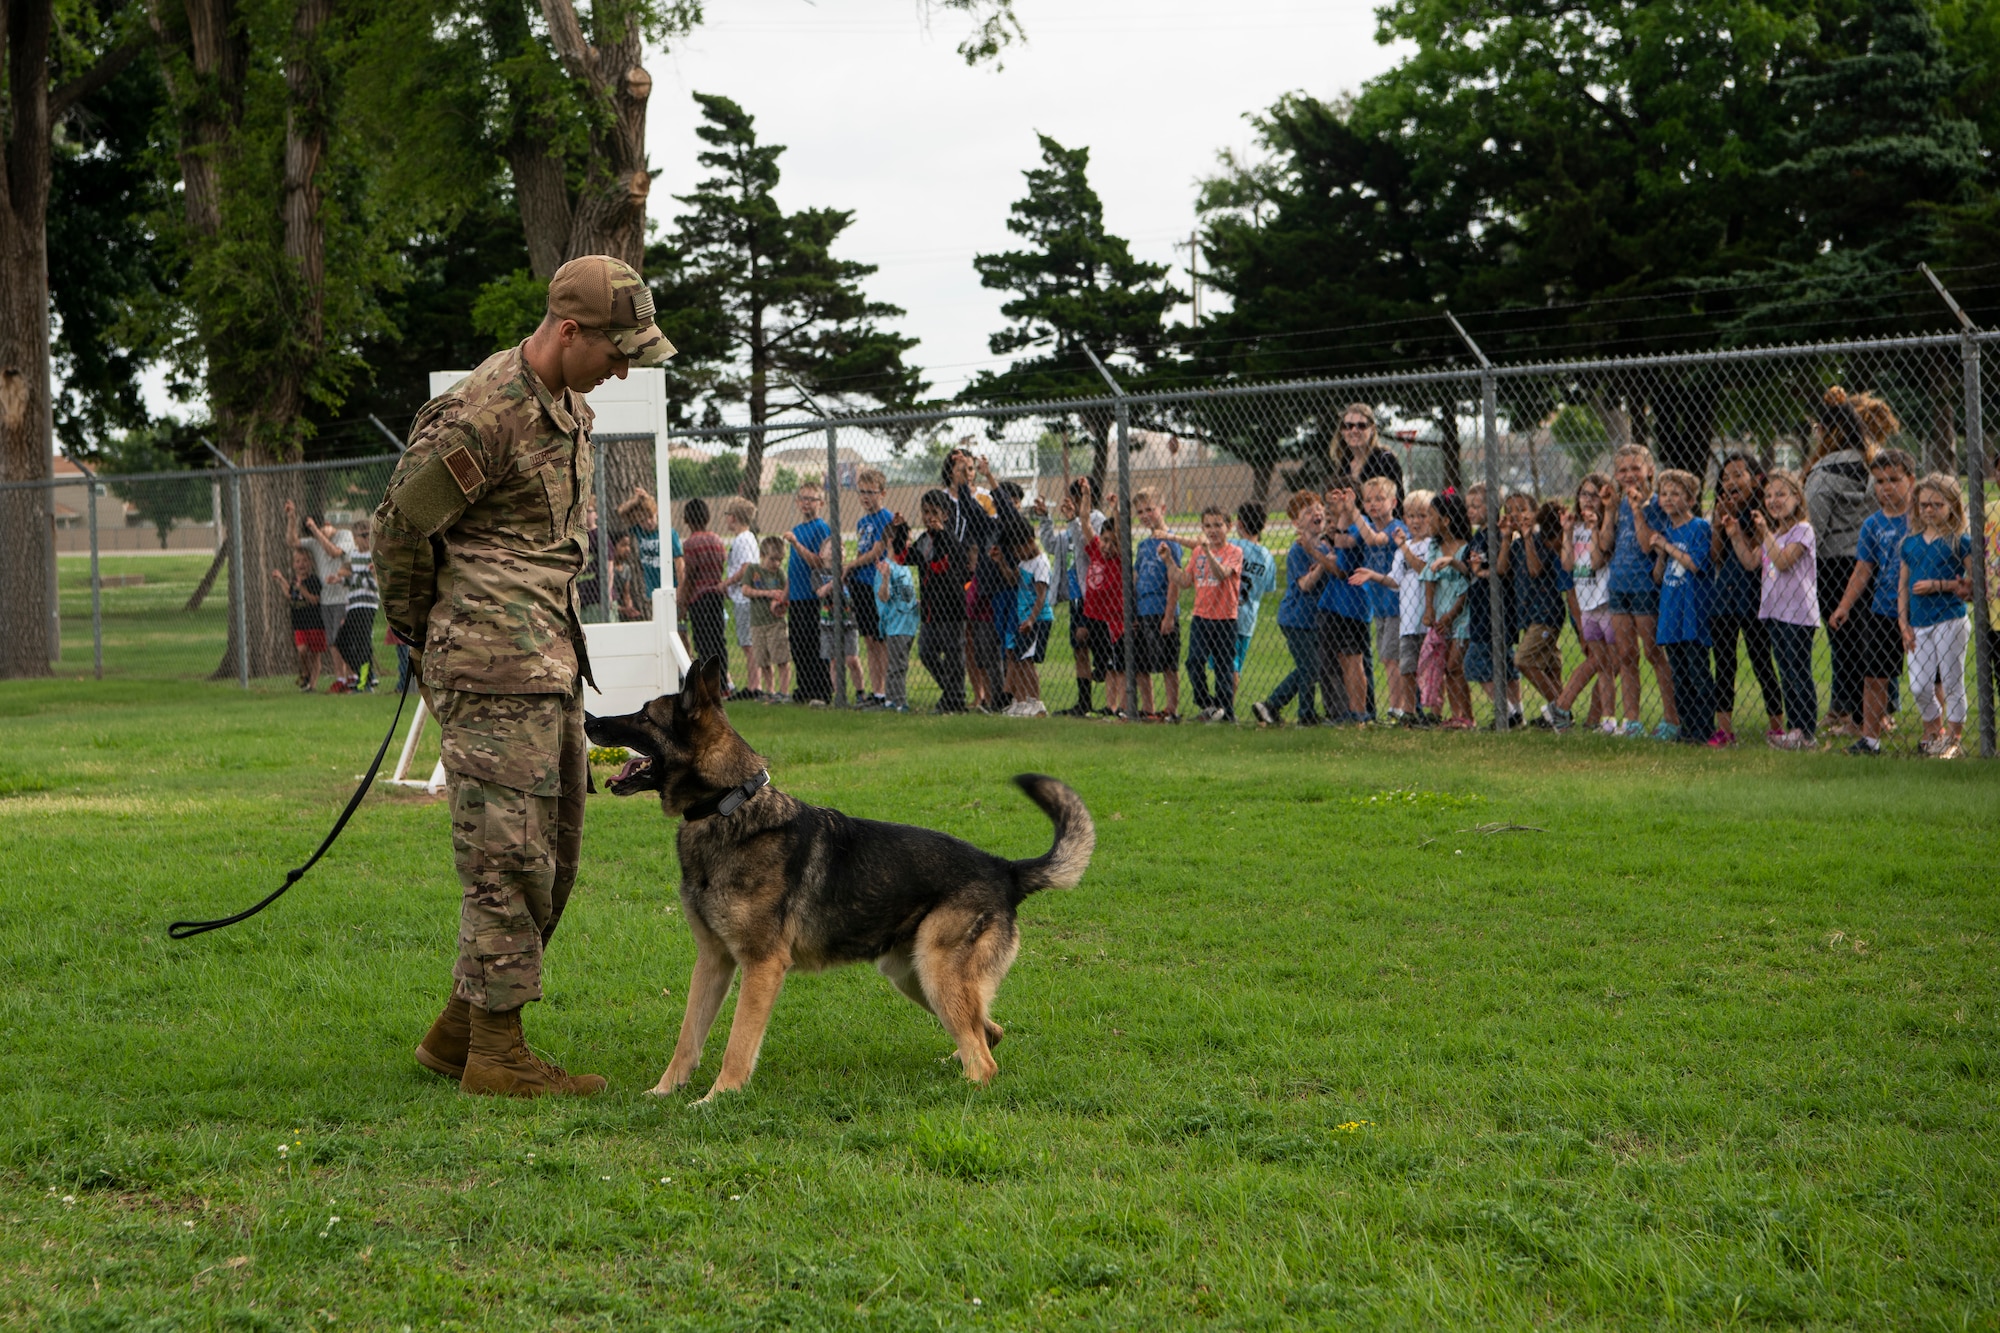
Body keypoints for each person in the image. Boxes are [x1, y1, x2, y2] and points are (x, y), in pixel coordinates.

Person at [375, 252, 673, 1098]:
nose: (623, 368)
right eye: (616, 350)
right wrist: (426, 629)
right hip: (489, 665)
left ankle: (460, 1031)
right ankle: (498, 1058)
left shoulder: (568, 406)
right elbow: (400, 526)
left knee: (557, 855)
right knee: (507, 858)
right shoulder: (483, 411)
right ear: (568, 330)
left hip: (547, 660)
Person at [1828, 447, 1916, 756]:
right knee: (1874, 676)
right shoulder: (1872, 525)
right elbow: (1863, 569)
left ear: (1911, 480)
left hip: (1921, 610)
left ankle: (1938, 736)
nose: (1886, 487)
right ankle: (1870, 739)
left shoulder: (1920, 519)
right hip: (1883, 610)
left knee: (1931, 678)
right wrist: (1844, 605)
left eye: (1893, 479)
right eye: (1879, 481)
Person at [1803, 389, 1877, 735]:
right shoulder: (1873, 467)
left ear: (1826, 430)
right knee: (1867, 636)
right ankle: (1867, 712)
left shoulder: (1822, 472)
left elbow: (1813, 530)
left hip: (1834, 564)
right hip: (1869, 561)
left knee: (1844, 641)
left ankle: (1854, 718)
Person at [1734, 470, 1819, 751]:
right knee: (1785, 671)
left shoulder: (1802, 530)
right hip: (1775, 612)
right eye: (1768, 495)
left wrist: (1765, 533)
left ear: (1797, 497)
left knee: (1798, 670)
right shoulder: (1776, 533)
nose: (1773, 500)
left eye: (1781, 494)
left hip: (1797, 613)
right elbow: (1750, 562)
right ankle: (1794, 729)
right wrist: (1735, 535)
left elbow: (1783, 562)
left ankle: (1806, 731)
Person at [1598, 445, 1676, 737]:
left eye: (1635, 468)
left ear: (1649, 470)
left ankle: (1671, 718)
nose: (1629, 475)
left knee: (1653, 652)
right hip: (1619, 586)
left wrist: (1637, 510)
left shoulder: (1656, 505)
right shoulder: (1616, 505)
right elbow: (1605, 544)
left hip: (1645, 586)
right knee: (1626, 655)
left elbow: (1646, 546)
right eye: (1622, 470)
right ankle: (1633, 720)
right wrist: (1609, 509)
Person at [1708, 453, 1782, 745]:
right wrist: (1717, 524)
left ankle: (1776, 725)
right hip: (1724, 596)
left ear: (1755, 479)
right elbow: (1715, 556)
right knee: (1724, 662)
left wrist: (1738, 523)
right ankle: (1724, 729)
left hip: (1753, 594)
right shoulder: (1724, 512)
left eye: (1738, 474)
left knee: (1761, 660)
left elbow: (1755, 552)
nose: (1730, 482)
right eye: (1725, 477)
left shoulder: (1761, 514)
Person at [1899, 474, 1973, 759]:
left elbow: (1971, 584)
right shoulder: (1910, 544)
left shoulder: (1959, 542)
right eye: (1923, 504)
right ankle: (1935, 730)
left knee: (1952, 680)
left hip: (1949, 618)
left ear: (1952, 506)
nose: (1929, 510)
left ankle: (1953, 740)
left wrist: (1941, 586)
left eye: (1937, 504)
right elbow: (1903, 588)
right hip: (1918, 622)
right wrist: (1903, 623)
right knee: (1919, 685)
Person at [1649, 468, 1715, 745]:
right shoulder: (1665, 531)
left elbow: (1696, 564)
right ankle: (1687, 727)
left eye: (1676, 493)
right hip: (1671, 611)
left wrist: (1668, 547)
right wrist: (1661, 554)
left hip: (1693, 612)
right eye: (1664, 494)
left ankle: (1704, 727)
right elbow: (1657, 577)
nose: (1668, 499)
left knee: (1698, 671)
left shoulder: (1699, 527)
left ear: (1690, 499)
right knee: (1679, 674)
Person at [1546, 474, 1615, 731]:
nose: (1587, 499)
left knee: (1610, 662)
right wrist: (1567, 533)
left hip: (1605, 603)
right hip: (1587, 606)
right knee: (1603, 664)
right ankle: (1601, 720)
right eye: (1584, 494)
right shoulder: (1577, 530)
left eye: (1593, 495)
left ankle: (1603, 717)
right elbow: (1567, 565)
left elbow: (1597, 562)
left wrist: (1596, 528)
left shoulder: (1605, 525)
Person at [1252, 490, 1326, 727]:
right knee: (1310, 667)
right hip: (1295, 618)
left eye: (1318, 507)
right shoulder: (1298, 550)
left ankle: (1275, 706)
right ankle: (1297, 711)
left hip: (1314, 619)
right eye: (1307, 512)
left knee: (1310, 667)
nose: (1316, 513)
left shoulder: (1324, 544)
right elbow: (1304, 584)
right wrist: (1324, 563)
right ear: (1296, 523)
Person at [1301, 485, 1371, 724]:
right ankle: (1350, 712)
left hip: (1352, 605)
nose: (1333, 513)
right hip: (1335, 605)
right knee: (1342, 660)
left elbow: (1342, 570)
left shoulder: (1358, 528)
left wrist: (1315, 553)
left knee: (1354, 660)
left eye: (1339, 502)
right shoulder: (1342, 528)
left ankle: (1359, 712)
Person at [1038, 478, 1106, 717]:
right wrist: (1046, 519)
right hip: (1076, 595)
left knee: (1093, 641)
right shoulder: (1072, 523)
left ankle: (1111, 697)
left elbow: (1088, 545)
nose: (1073, 503)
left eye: (1077, 499)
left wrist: (1073, 520)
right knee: (1079, 647)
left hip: (1093, 595)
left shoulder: (1096, 520)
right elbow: (1053, 545)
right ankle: (1084, 702)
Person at [1499, 499, 1571, 720]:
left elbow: (1535, 569)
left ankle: (1558, 709)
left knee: (1523, 660)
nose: (1517, 515)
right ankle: (1564, 712)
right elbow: (1501, 569)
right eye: (1511, 512)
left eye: (1522, 510)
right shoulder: (1516, 544)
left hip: (1546, 614)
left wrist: (1529, 535)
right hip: (1529, 614)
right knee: (1549, 668)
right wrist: (1506, 538)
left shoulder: (1541, 540)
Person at [1173, 504, 1244, 723]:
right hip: (1201, 617)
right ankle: (1207, 704)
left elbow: (1222, 574)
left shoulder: (1234, 552)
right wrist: (1168, 561)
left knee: (1223, 666)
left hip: (1225, 618)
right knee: (1194, 661)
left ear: (1228, 526)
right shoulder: (1197, 552)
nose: (1212, 530)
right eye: (1207, 526)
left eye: (1217, 525)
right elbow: (1185, 581)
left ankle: (1226, 713)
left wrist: (1207, 552)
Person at [1348, 477, 1410, 721]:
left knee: (1392, 658)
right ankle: (1400, 707)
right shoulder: (1367, 528)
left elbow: (1376, 540)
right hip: (1381, 607)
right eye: (1368, 500)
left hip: (1397, 605)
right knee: (1388, 658)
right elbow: (1348, 539)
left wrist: (1353, 510)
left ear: (1393, 502)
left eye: (1380, 499)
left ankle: (1398, 708)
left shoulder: (1396, 529)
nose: (1373, 504)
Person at [1465, 487, 1525, 729]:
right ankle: (1517, 713)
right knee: (1504, 661)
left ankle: (1508, 712)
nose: (1471, 511)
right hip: (1482, 608)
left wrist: (1481, 572)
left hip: (1493, 612)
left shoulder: (1497, 535)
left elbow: (1503, 570)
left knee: (1475, 661)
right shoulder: (1479, 536)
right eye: (1469, 506)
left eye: (1477, 506)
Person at [909, 488, 968, 712]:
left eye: (934, 512)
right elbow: (907, 558)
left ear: (945, 514)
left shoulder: (950, 537)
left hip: (951, 607)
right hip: (931, 609)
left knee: (954, 653)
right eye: (925, 512)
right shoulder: (925, 539)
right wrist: (899, 530)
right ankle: (951, 693)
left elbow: (948, 562)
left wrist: (942, 534)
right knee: (926, 651)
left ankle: (955, 699)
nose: (929, 517)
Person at [1421, 490, 1475, 727]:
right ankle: (1458, 715)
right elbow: (1429, 578)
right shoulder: (1435, 546)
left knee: (1454, 665)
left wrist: (1451, 615)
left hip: (1460, 616)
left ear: (1446, 520)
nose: (1427, 521)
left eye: (1431, 516)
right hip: (1441, 615)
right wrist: (1429, 610)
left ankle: (1468, 716)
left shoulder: (1464, 549)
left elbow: (1466, 589)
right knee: (1446, 667)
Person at [1131, 488, 1184, 721]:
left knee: (1168, 663)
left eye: (1150, 510)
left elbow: (1174, 579)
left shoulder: (1171, 541)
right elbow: (1136, 577)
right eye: (1140, 512)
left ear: (1162, 509)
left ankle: (1171, 709)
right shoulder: (1143, 546)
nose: (1145, 515)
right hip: (1143, 611)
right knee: (1142, 663)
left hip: (1162, 609)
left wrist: (1169, 615)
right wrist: (1133, 612)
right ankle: (1148, 708)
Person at [289, 502, 352, 688]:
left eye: (318, 530)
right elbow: (292, 542)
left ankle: (352, 677)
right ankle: (340, 678)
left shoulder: (344, 535)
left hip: (343, 597)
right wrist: (292, 518)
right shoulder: (315, 540)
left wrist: (315, 530)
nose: (316, 537)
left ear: (326, 524)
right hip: (326, 600)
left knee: (346, 638)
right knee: (332, 641)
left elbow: (333, 552)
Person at [1388, 489, 1436, 726]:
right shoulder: (1400, 551)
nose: (1416, 521)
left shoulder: (1433, 545)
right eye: (1411, 516)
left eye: (1422, 515)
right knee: (1407, 668)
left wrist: (1405, 548)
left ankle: (1434, 713)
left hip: (1428, 621)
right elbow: (1394, 581)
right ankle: (1409, 711)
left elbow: (1424, 569)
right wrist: (1373, 576)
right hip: (1407, 622)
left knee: (1431, 671)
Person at [850, 468, 895, 708]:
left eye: (871, 492)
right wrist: (851, 569)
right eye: (862, 492)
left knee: (880, 640)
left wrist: (850, 565)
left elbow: (876, 552)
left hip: (876, 583)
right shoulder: (862, 522)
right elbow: (861, 549)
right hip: (860, 584)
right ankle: (875, 693)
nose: (865, 497)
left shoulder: (885, 518)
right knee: (869, 640)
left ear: (882, 493)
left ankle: (885, 691)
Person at [785, 482, 832, 702]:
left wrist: (796, 544)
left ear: (821, 503)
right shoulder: (797, 529)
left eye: (811, 499)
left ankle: (820, 690)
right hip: (796, 597)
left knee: (814, 644)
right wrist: (784, 594)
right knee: (798, 644)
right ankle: (803, 688)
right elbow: (792, 568)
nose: (806, 503)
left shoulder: (821, 528)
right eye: (803, 498)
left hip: (813, 596)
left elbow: (819, 562)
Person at [1079, 507, 1128, 718]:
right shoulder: (1096, 551)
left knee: (1119, 665)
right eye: (1105, 540)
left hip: (1113, 619)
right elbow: (1084, 522)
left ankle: (1124, 707)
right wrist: (1087, 495)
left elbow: (1122, 534)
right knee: (1107, 666)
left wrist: (1117, 512)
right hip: (1095, 617)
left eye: (1113, 542)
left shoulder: (1119, 560)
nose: (1107, 546)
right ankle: (1111, 705)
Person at [728, 534, 791, 700]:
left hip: (775, 623)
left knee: (781, 658)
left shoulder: (779, 574)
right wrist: (768, 593)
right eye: (772, 559)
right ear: (762, 556)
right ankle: (769, 691)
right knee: (763, 660)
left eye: (780, 560)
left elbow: (786, 593)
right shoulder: (753, 570)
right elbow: (745, 590)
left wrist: (780, 604)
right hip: (757, 623)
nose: (776, 564)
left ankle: (783, 692)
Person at [1004, 516, 1053, 717]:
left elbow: (1041, 596)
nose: (1016, 554)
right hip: (1023, 619)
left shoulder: (1040, 563)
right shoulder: (1024, 562)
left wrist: (1032, 620)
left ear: (1029, 542)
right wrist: (1001, 563)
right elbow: (1013, 580)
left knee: (1028, 660)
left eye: (1017, 549)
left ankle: (1036, 702)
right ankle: (1022, 700)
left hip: (1037, 620)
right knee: (1020, 659)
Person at [1230, 501, 1277, 692]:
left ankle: (1225, 706)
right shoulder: (1267, 556)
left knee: (1226, 664)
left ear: (1239, 524)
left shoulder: (1233, 546)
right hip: (1248, 617)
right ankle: (1227, 705)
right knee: (1236, 664)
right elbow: (1268, 587)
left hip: (1227, 613)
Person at [815, 531, 865, 703]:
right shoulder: (818, 573)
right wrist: (836, 579)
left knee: (852, 659)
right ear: (821, 554)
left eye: (841, 548)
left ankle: (860, 693)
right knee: (835, 661)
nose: (837, 551)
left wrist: (844, 574)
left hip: (848, 621)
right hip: (828, 623)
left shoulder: (848, 572)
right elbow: (821, 592)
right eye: (831, 548)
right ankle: (839, 695)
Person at [875, 517, 919, 713]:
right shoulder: (885, 567)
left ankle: (894, 700)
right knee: (897, 665)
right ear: (893, 541)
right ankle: (897, 701)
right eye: (907, 539)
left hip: (910, 624)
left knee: (901, 664)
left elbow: (907, 595)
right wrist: (885, 579)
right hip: (896, 625)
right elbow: (883, 597)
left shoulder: (905, 566)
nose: (909, 543)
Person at [680, 497, 728, 669]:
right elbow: (722, 562)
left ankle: (709, 681)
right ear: (707, 517)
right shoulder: (716, 539)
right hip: (716, 595)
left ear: (686, 519)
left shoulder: (690, 543)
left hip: (699, 599)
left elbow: (691, 576)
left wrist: (683, 602)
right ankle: (722, 681)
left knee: (703, 641)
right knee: (718, 638)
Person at [720, 496, 760, 696]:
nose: (726, 519)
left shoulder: (743, 539)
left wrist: (726, 583)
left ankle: (754, 686)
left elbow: (745, 568)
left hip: (745, 599)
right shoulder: (746, 538)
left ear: (733, 517)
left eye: (727, 515)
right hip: (740, 599)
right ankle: (754, 684)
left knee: (748, 643)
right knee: (747, 642)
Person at [335, 518, 380, 692]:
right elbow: (348, 577)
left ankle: (365, 683)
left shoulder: (374, 556)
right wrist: (341, 578)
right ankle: (368, 675)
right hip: (353, 604)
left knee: (362, 643)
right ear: (355, 537)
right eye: (363, 535)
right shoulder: (353, 557)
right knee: (342, 641)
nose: (367, 538)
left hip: (367, 604)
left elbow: (371, 582)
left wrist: (357, 574)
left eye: (369, 534)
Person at [1334, 402, 1403, 513]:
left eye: (1361, 426)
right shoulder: (1344, 463)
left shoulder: (1385, 460)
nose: (1354, 430)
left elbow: (1398, 504)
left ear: (1372, 429)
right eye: (1348, 426)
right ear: (1342, 431)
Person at [619, 486, 681, 605]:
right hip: (652, 591)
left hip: (670, 589)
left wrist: (679, 591)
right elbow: (622, 513)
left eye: (650, 517)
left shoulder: (668, 533)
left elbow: (679, 562)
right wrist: (637, 500)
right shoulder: (639, 531)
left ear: (656, 513)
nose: (648, 523)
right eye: (642, 521)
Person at [273, 548, 324, 691]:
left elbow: (314, 600)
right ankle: (305, 672)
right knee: (301, 650)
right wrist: (281, 579)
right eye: (298, 561)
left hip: (315, 623)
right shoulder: (295, 581)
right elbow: (290, 595)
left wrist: (302, 589)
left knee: (315, 655)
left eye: (305, 561)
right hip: (299, 623)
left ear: (310, 563)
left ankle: (312, 685)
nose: (301, 564)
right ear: (294, 564)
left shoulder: (314, 580)